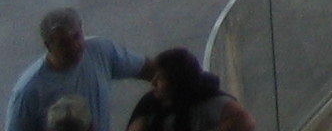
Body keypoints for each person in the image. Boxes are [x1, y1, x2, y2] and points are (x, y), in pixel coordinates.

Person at [7, 13, 148, 131]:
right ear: (48, 46)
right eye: (63, 43)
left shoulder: (99, 51)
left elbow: (150, 70)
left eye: (76, 37)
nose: (74, 47)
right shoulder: (28, 91)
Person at [121, 51, 251, 131]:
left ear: (176, 82)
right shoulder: (150, 104)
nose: (153, 83)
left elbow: (245, 121)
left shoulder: (209, 99)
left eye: (161, 78)